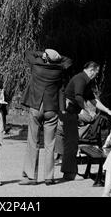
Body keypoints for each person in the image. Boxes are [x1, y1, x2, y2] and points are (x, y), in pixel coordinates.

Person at [19, 48, 73, 186]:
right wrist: (56, 57)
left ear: (45, 57)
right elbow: (68, 60)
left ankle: (31, 177)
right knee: (50, 144)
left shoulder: (37, 66)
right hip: (52, 108)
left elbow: (28, 53)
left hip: (36, 106)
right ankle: (49, 177)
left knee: (33, 141)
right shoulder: (59, 69)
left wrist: (41, 54)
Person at [61, 61, 111, 181]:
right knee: (71, 142)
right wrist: (87, 110)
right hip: (68, 111)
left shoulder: (86, 81)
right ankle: (69, 173)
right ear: (91, 70)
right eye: (96, 73)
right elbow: (78, 96)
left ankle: (69, 172)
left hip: (73, 112)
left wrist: (107, 110)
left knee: (72, 141)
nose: (96, 75)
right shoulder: (80, 79)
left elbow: (93, 99)